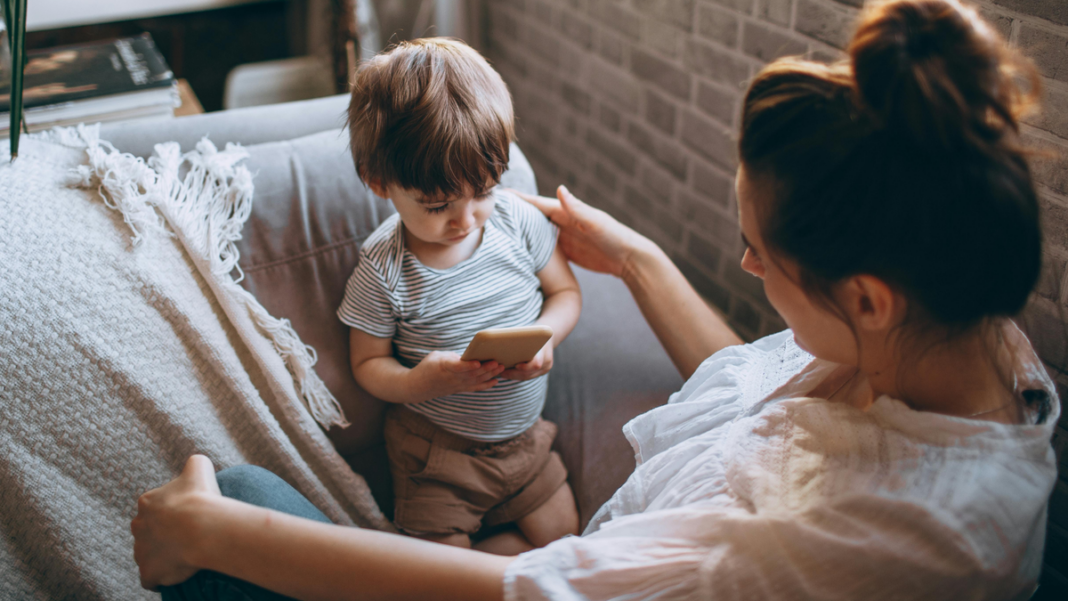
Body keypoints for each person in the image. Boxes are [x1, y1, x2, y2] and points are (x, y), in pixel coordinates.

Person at [131, 1, 1060, 599]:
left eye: (757, 250)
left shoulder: (875, 547)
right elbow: (748, 385)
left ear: (867, 298)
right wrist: (642, 261)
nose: (742, 266)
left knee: (236, 501)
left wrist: (221, 528)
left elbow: (539, 590)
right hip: (507, 502)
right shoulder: (959, 315)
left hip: (558, 553)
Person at [337, 37, 582, 550]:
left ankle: (502, 570)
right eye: (437, 205)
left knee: (567, 543)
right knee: (447, 573)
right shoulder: (384, 267)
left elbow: (564, 293)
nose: (465, 220)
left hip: (525, 442)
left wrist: (548, 340)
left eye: (484, 192)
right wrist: (417, 383)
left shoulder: (517, 221)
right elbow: (366, 364)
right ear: (378, 181)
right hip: (435, 457)